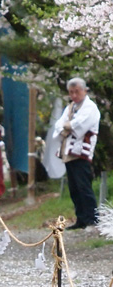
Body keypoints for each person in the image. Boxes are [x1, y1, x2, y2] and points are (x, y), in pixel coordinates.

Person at [53, 77, 100, 230]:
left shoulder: (90, 107)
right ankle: (81, 218)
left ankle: (92, 219)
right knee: (74, 187)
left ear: (84, 91)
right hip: (68, 151)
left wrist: (67, 126)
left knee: (83, 186)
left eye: (77, 92)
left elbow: (79, 125)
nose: (74, 95)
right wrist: (66, 126)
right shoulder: (71, 107)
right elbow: (59, 124)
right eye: (71, 92)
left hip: (81, 150)